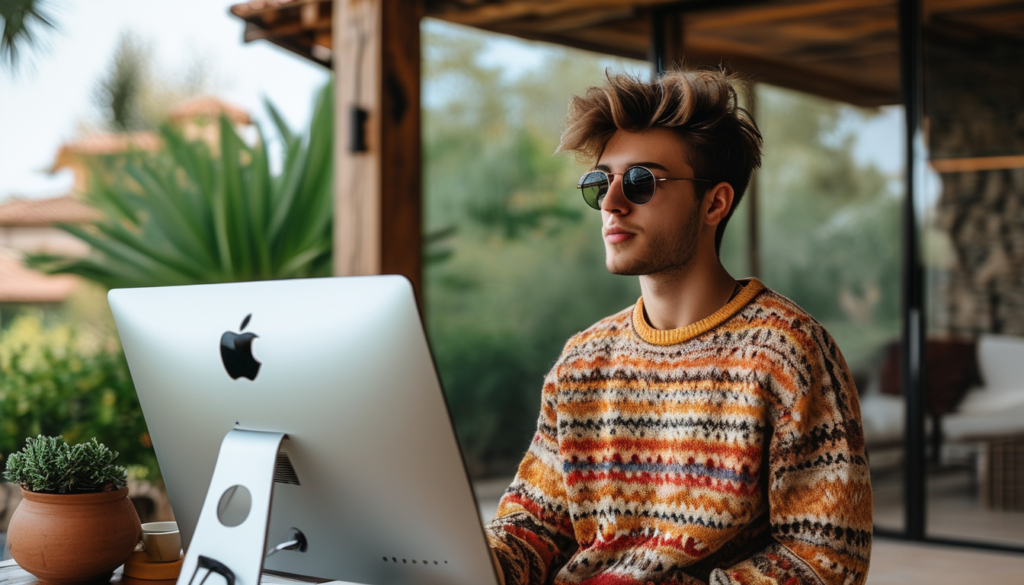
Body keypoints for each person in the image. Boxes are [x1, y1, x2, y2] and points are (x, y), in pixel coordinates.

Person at [484, 69, 872, 585]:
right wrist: (463, 561)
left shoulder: (786, 352)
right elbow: (535, 526)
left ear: (715, 203)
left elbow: (826, 561)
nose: (610, 202)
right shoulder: (582, 361)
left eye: (641, 181)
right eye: (601, 182)